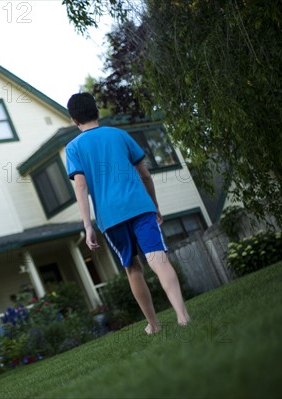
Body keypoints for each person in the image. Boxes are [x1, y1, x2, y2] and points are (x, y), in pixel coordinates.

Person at [65, 92, 190, 334]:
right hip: (140, 206)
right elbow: (145, 175)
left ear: (73, 120)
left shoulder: (73, 148)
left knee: (133, 268)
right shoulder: (120, 135)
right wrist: (154, 204)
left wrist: (87, 225)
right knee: (159, 259)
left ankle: (153, 324)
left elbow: (80, 185)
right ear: (97, 112)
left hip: (111, 217)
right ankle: (182, 316)